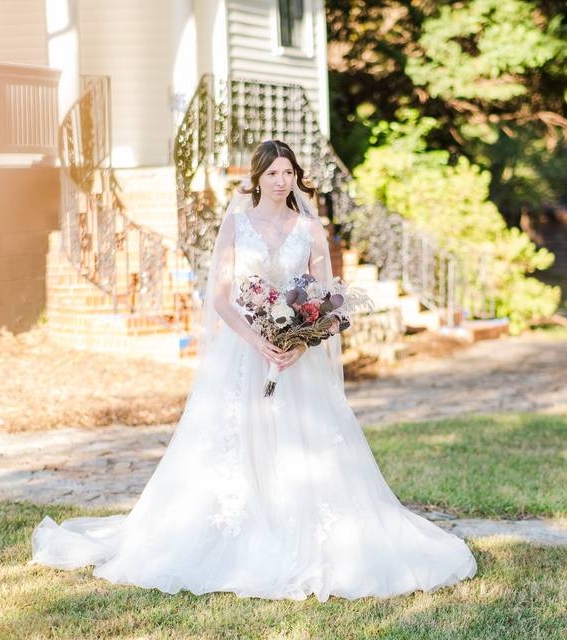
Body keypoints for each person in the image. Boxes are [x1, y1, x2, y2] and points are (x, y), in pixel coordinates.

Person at [29, 139, 478, 601]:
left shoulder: (309, 227)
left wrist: (301, 344)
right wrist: (257, 339)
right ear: (257, 179)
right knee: (237, 437)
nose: (281, 181)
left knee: (305, 437)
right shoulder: (236, 224)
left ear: (296, 177)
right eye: (272, 174)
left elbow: (326, 297)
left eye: (288, 173)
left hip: (296, 358)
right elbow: (221, 297)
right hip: (245, 352)